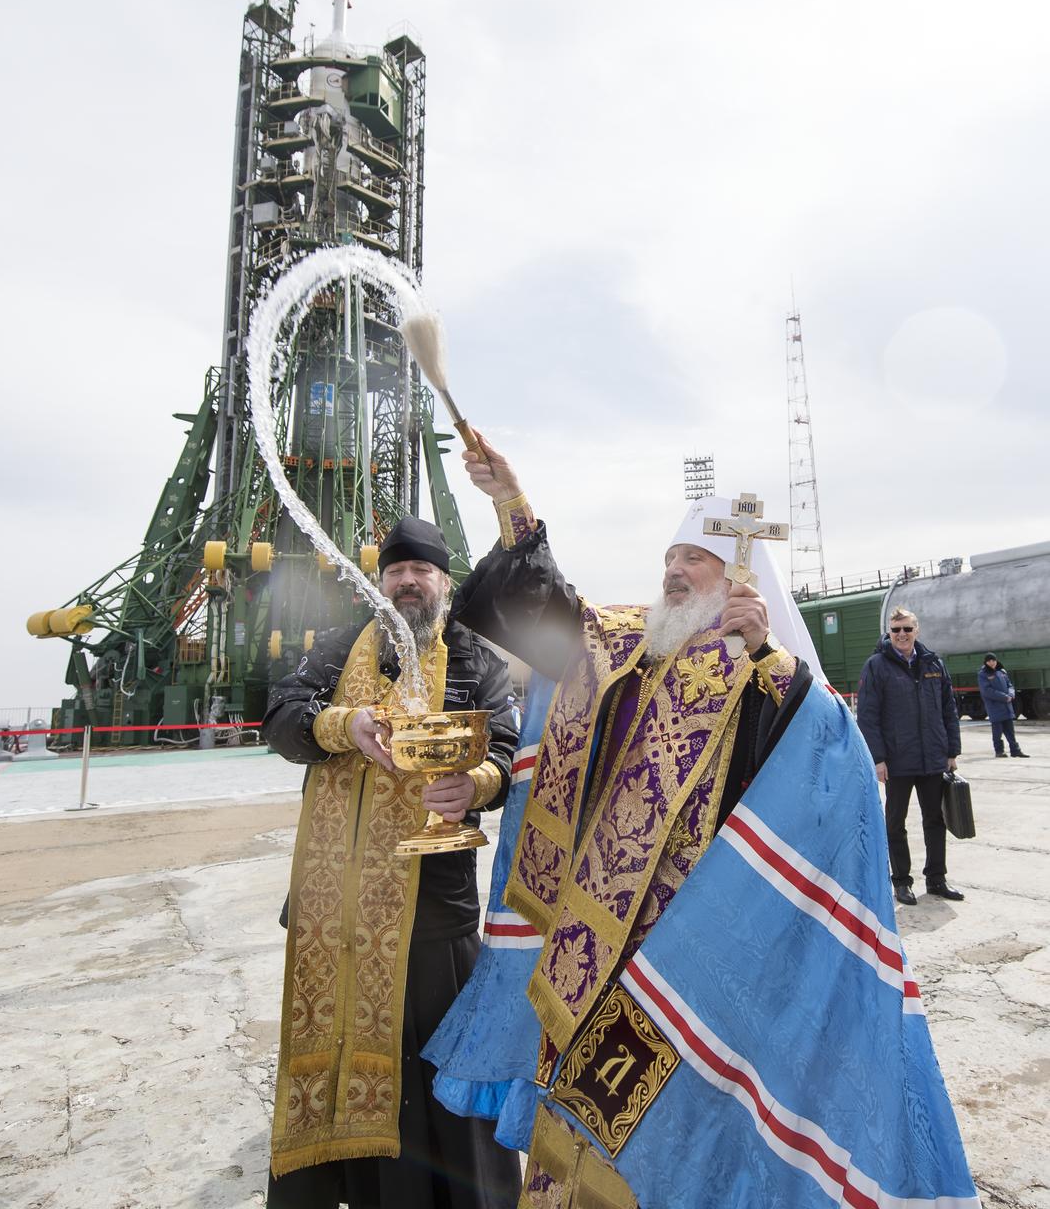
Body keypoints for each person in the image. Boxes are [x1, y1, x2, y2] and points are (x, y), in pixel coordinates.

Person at [427, 437, 977, 1209]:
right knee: (572, 1131)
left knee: (661, 1137)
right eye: (670, 557)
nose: (674, 571)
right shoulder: (625, 642)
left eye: (695, 559)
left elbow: (830, 772)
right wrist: (510, 502)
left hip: (684, 956)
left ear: (741, 577)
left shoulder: (771, 674)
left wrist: (767, 660)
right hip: (588, 944)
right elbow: (547, 613)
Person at [262, 515, 522, 1209]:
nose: (408, 582)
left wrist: (476, 785)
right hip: (337, 907)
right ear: (380, 584)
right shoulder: (341, 649)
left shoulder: (476, 661)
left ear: (444, 582)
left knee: (438, 1072)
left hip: (433, 906)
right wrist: (342, 724)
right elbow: (281, 717)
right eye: (395, 572)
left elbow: (506, 749)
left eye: (422, 571)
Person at [856, 606, 964, 906]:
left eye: (907, 629)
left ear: (916, 630)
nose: (901, 635)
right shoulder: (877, 666)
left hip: (932, 758)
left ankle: (937, 878)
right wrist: (878, 759)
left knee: (935, 819)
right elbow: (867, 716)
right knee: (895, 823)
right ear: (889, 633)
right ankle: (902, 882)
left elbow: (948, 710)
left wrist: (951, 751)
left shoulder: (933, 664)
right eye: (896, 630)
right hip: (898, 761)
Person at [978, 653, 1029, 758]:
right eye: (989, 661)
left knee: (1010, 731)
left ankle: (1015, 750)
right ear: (986, 662)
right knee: (997, 732)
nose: (992, 663)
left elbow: (1010, 685)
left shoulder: (1001, 672)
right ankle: (999, 751)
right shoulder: (983, 674)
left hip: (1006, 706)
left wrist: (1011, 694)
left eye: (993, 660)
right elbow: (987, 691)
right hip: (995, 707)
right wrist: (1004, 697)